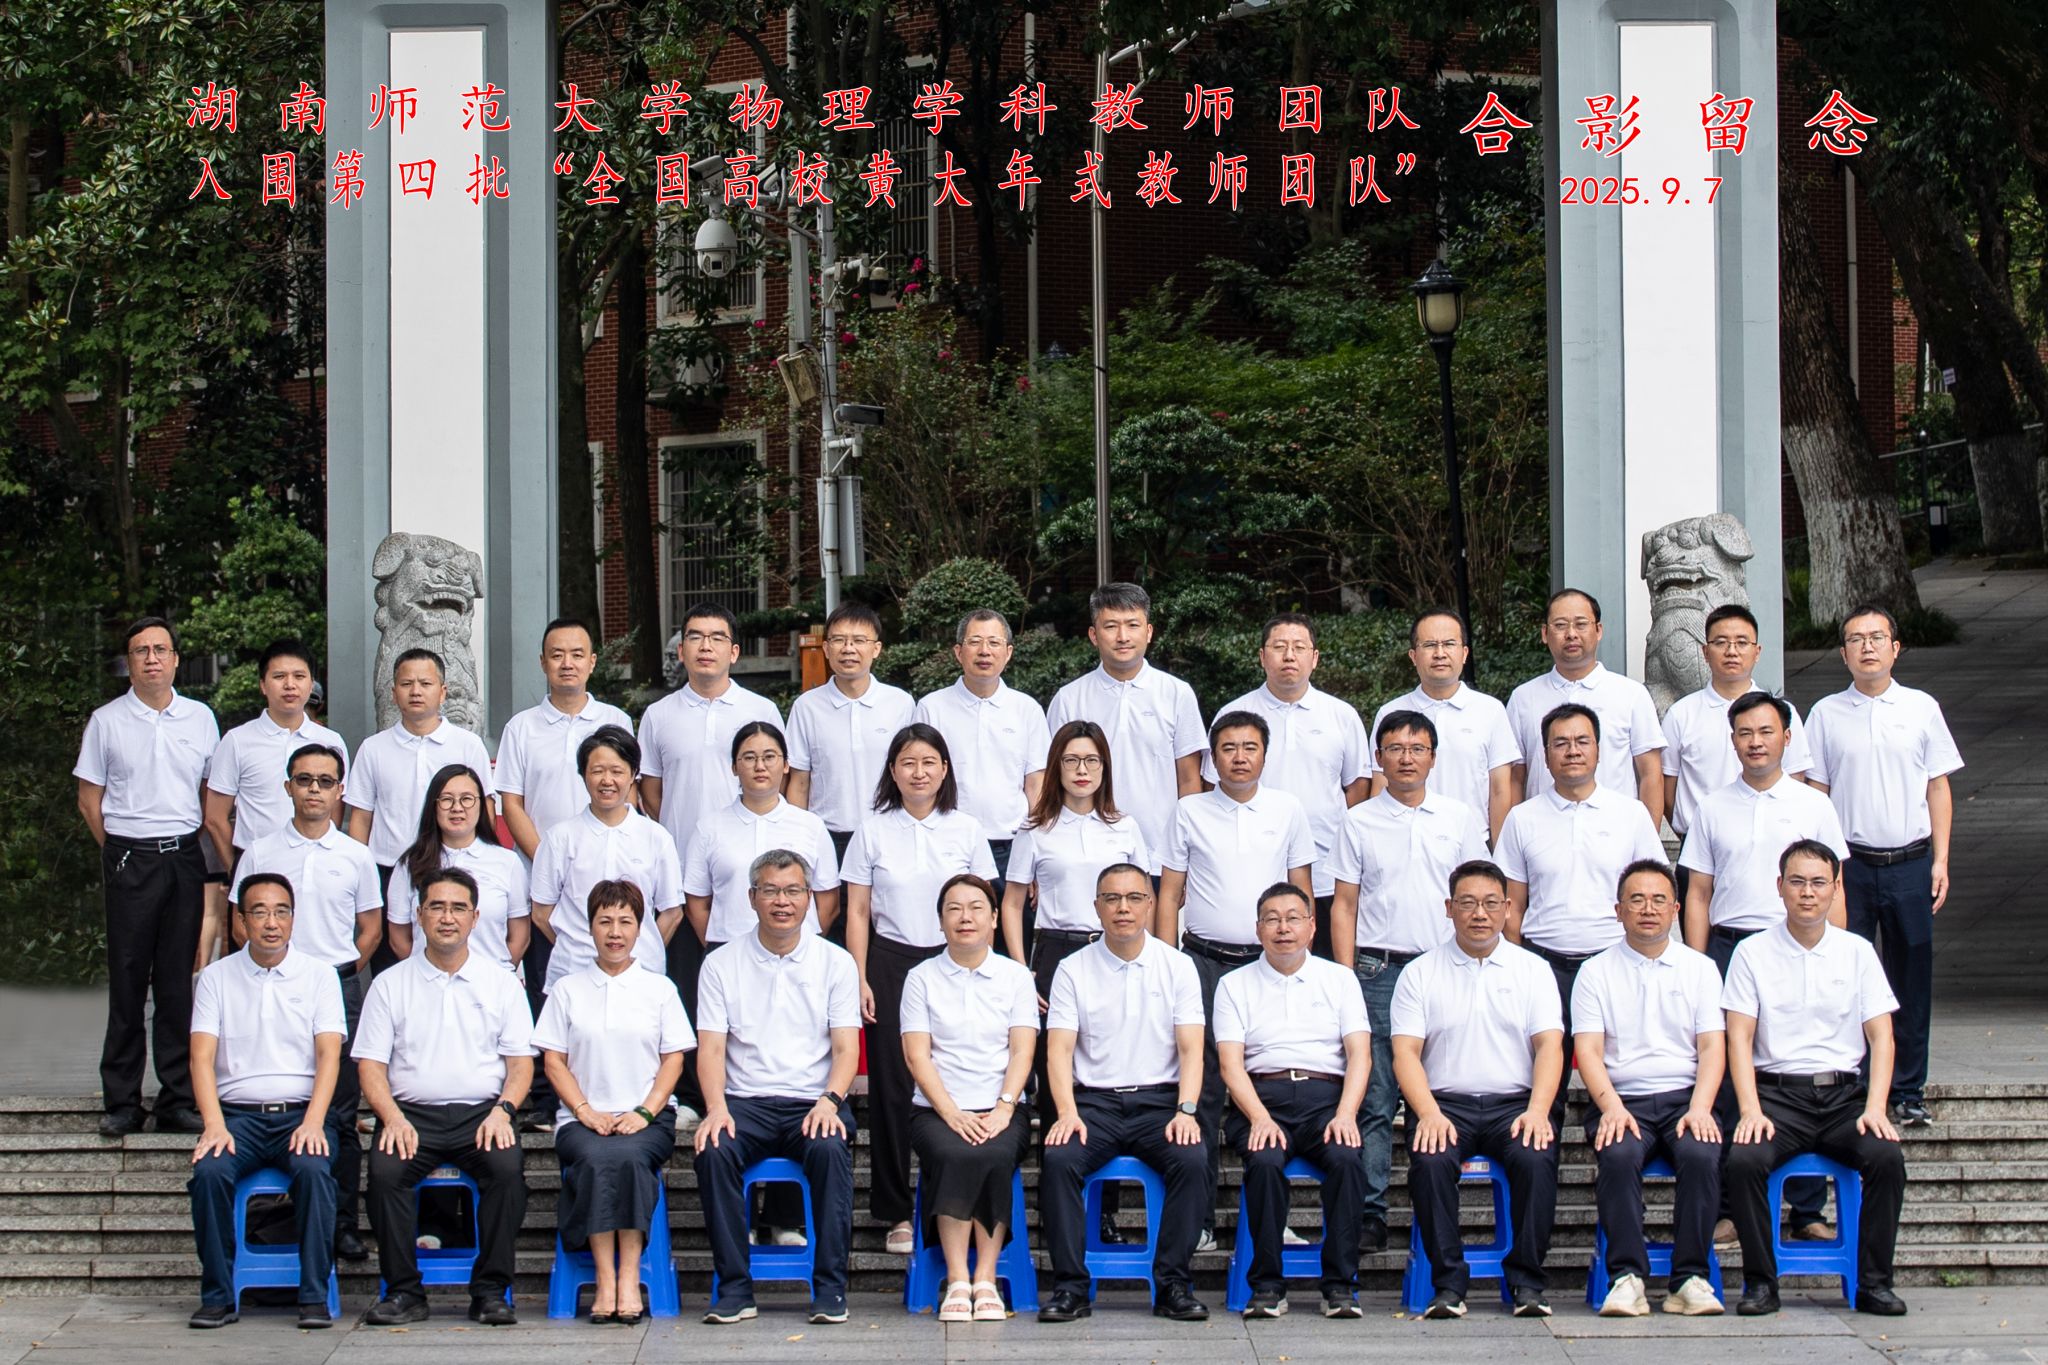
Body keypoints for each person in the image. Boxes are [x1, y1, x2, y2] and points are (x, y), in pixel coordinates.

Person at [1721, 840, 1909, 1317]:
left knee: (1886, 1158)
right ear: (1779, 886)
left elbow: (1882, 1038)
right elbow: (1739, 1038)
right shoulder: (1751, 952)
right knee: (1743, 1161)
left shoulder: (1857, 952)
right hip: (1777, 1099)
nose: (1808, 892)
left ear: (1836, 888)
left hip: (1845, 1099)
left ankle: (1874, 1284)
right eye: (1798, 882)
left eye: (1819, 882)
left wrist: (1876, 1107)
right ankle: (1760, 1283)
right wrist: (1749, 1110)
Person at [1329, 709, 1489, 1253]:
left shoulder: (1459, 817)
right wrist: (1347, 976)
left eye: (1417, 749)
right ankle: (1371, 1212)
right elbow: (1345, 903)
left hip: (1444, 966)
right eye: (1395, 749)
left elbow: (1479, 894)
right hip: (1378, 969)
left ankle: (1438, 1211)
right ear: (1378, 758)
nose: (1406, 758)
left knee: (1442, 1088)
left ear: (1433, 758)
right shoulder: (1358, 820)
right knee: (1375, 1096)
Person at [1157, 709, 1314, 1249]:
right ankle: (1199, 1220)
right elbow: (1170, 893)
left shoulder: (1287, 809)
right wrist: (1168, 962)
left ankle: (1272, 1216)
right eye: (1228, 748)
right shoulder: (1189, 811)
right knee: (1202, 1090)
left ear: (1265, 754)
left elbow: (1300, 890)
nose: (1239, 757)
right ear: (1212, 757)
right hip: (1202, 962)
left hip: (1267, 966)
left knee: (1267, 1087)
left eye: (1250, 747)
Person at [1803, 605, 1963, 1129]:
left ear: (1895, 648)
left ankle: (1909, 1089)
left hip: (1910, 862)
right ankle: (1853, 1088)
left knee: (1911, 976)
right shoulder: (1825, 713)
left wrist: (1941, 859)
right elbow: (1817, 792)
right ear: (1843, 652)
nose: (1867, 647)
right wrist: (1824, 869)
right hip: (1849, 866)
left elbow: (1937, 786)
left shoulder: (1921, 708)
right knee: (1843, 975)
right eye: (1856, 639)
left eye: (1877, 637)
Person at [355, 867, 534, 1326]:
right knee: (385, 1174)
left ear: (475, 917)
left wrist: (504, 1111)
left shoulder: (501, 982)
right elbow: (370, 1066)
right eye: (436, 907)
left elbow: (520, 1065)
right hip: (411, 1116)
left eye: (458, 908)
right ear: (419, 915)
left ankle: (490, 1291)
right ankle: (404, 1292)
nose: (447, 917)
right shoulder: (390, 983)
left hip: (483, 1115)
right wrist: (392, 1117)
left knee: (506, 1172)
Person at [842, 723, 997, 1254]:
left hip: (954, 962)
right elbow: (857, 911)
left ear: (945, 769)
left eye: (929, 762)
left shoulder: (966, 829)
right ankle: (894, 1212)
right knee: (891, 1088)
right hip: (890, 962)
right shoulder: (871, 831)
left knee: (950, 1079)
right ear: (892, 770)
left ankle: (948, 1206)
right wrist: (860, 974)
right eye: (908, 762)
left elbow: (981, 906)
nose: (919, 772)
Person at [694, 850, 863, 1327]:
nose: (781, 902)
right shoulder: (721, 963)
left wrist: (830, 1101)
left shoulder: (836, 962)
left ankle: (829, 1288)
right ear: (752, 898)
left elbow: (846, 1050)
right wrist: (715, 1108)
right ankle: (735, 1289)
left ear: (809, 898)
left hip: (814, 1100)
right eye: (770, 891)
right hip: (745, 1103)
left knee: (830, 1148)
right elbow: (711, 1050)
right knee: (713, 1149)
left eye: (792, 891)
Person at [1392, 859, 1565, 1319]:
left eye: (1490, 903)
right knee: (1430, 1160)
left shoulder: (1533, 970)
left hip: (1516, 1104)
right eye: (1467, 903)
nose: (1479, 914)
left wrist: (1538, 1110)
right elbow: (1405, 1053)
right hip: (1445, 1104)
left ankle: (1527, 1282)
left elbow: (1549, 1046)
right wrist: (1428, 1113)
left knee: (1536, 1157)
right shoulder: (1420, 973)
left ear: (1508, 908)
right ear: (1449, 908)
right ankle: (1448, 1284)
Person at [228, 743, 381, 1263]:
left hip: (337, 986)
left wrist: (335, 975)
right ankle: (289, 1218)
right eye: (304, 779)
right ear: (288, 787)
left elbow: (371, 927)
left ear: (341, 791)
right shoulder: (260, 852)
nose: (314, 789)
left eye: (325, 781)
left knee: (341, 1111)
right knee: (289, 1096)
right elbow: (239, 922)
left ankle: (342, 1224)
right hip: (272, 985)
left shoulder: (356, 855)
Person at [1037, 863, 1210, 1324]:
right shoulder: (1073, 969)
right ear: (1097, 907)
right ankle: (1071, 1288)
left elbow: (1192, 1049)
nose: (1123, 908)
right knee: (1059, 1159)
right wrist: (1066, 1112)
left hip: (1160, 1102)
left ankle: (1173, 1284)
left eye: (1134, 898)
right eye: (1112, 899)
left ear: (1151, 904)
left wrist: (1186, 1110)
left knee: (1193, 1159)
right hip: (1094, 1104)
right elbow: (1059, 1051)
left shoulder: (1178, 966)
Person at [75, 617, 221, 1137]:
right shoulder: (107, 721)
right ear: (129, 663)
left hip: (183, 856)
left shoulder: (201, 718)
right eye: (142, 651)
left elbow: (210, 793)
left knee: (178, 983)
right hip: (130, 857)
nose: (152, 658)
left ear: (176, 659)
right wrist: (121, 852)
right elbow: (89, 800)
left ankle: (178, 1098)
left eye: (161, 649)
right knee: (128, 981)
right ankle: (122, 1101)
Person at [636, 605, 780, 1129]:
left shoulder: (760, 709)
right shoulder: (659, 716)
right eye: (695, 637)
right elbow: (652, 792)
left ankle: (752, 1086)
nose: (705, 647)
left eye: (717, 638)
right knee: (690, 986)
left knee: (755, 990)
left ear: (734, 652)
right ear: (681, 651)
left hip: (751, 871)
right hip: (682, 875)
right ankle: (692, 1093)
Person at [184, 872, 345, 1330]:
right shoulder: (215, 978)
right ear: (240, 921)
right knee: (209, 1172)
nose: (271, 923)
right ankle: (217, 1297)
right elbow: (200, 1058)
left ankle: (313, 1297)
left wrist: (313, 1121)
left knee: (314, 1169)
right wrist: (214, 1125)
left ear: (293, 919)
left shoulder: (320, 976)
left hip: (302, 1114)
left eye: (281, 912)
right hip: (238, 1119)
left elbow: (329, 1056)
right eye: (259, 912)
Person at [532, 879, 694, 1326]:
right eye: (605, 921)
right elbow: (553, 1062)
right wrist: (585, 1111)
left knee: (630, 1156)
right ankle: (606, 1278)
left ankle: (628, 1275)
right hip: (579, 1118)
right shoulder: (567, 989)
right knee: (596, 1157)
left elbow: (674, 1059)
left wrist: (644, 1112)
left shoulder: (659, 989)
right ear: (590, 928)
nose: (615, 932)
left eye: (625, 921)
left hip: (648, 1117)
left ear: (640, 928)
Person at [1496, 702, 1665, 1125]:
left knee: (1620, 1075)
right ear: (1545, 754)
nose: (1572, 751)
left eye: (1582, 741)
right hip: (1545, 965)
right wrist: (1522, 962)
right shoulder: (1522, 819)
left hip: (1614, 964)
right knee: (1543, 1082)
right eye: (1561, 743)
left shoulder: (1631, 814)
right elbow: (1511, 903)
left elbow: (1655, 890)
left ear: (1599, 750)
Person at [1570, 860, 1726, 1317]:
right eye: (1636, 900)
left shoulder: (1700, 969)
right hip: (1622, 1100)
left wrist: (1701, 1107)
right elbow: (1588, 1051)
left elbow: (1712, 1047)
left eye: (1659, 900)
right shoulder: (1595, 972)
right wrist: (1611, 1107)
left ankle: (1689, 1279)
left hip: (1686, 1098)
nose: (1648, 909)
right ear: (1618, 910)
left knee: (1701, 1153)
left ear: (1676, 909)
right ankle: (1627, 1278)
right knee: (1618, 1154)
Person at [1213, 883, 1372, 1319]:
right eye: (1272, 919)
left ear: (1311, 926)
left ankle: (1340, 1286)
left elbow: (1360, 1054)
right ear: (1258, 928)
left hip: (1326, 1102)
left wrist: (1346, 1113)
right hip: (1261, 1100)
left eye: (1293, 918)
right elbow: (1230, 1064)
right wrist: (1260, 1117)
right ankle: (1267, 1286)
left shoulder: (1340, 979)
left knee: (1346, 1160)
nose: (1283, 928)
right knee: (1264, 1162)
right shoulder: (1233, 985)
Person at [900, 874, 1038, 1322]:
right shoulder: (921, 978)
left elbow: (1022, 1050)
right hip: (935, 1111)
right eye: (954, 909)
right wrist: (951, 1112)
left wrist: (1004, 1106)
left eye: (977, 907)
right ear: (940, 921)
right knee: (953, 1152)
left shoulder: (1015, 977)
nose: (966, 917)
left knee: (993, 1153)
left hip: (1002, 1108)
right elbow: (917, 1056)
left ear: (995, 918)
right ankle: (958, 1277)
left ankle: (986, 1276)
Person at [1000, 722, 1152, 1128]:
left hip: (1115, 949)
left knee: (1112, 1053)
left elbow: (1143, 898)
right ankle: (1059, 1149)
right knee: (1055, 1056)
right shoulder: (1035, 829)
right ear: (1056, 767)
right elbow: (1012, 903)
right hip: (1056, 950)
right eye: (1071, 760)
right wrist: (1020, 969)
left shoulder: (1125, 826)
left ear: (1105, 767)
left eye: (1091, 760)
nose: (1082, 770)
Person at [493, 617, 633, 1032]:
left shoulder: (615, 720)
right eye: (557, 655)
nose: (567, 663)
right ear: (543, 662)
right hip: (542, 879)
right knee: (548, 987)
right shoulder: (521, 728)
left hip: (607, 874)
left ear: (592, 662)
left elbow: (629, 793)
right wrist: (550, 861)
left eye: (576, 655)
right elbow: (512, 803)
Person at [1206, 613, 1370, 958]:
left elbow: (1357, 788)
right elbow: (1213, 789)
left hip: (1327, 872)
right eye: (1279, 647)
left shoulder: (1341, 715)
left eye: (1299, 647)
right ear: (1262, 656)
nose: (1289, 656)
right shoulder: (1235, 714)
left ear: (1315, 657)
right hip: (1253, 870)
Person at [202, 639, 345, 961]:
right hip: (256, 867)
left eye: (299, 676)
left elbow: (334, 810)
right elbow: (215, 816)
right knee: (252, 964)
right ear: (263, 685)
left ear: (311, 683)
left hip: (315, 866)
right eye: (279, 676)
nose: (290, 685)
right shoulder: (238, 741)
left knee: (313, 958)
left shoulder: (330, 742)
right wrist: (239, 870)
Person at [1046, 582, 1208, 862]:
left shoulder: (1176, 694)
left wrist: (1187, 849)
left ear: (1149, 632)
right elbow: (1052, 778)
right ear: (1093, 635)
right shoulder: (1069, 698)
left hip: (1161, 853)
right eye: (1111, 626)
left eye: (1133, 625)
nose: (1122, 637)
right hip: (1086, 853)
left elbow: (1189, 779)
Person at [1659, 605, 1812, 864]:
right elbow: (1668, 789)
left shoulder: (1782, 713)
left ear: (1757, 652)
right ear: (1705, 652)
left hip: (1772, 845)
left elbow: (1796, 778)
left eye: (1742, 642)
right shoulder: (1681, 714)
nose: (1731, 651)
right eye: (1721, 643)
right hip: (1699, 848)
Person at [911, 609, 1050, 887]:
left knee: (1013, 916)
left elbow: (1036, 785)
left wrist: (1038, 853)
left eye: (994, 643)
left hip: (1013, 845)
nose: (984, 651)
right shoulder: (931, 708)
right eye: (974, 642)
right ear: (958, 652)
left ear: (1008, 653)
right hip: (949, 843)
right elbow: (920, 781)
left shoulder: (1027, 709)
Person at [346, 648, 495, 896]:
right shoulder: (373, 749)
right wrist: (359, 874)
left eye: (425, 683)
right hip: (388, 868)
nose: (415, 691)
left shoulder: (468, 745)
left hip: (453, 868)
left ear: (442, 692)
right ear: (394, 693)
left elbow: (485, 808)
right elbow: (361, 817)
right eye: (406, 684)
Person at [1504, 589, 1664, 820]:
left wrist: (1647, 836)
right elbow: (1515, 778)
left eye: (1580, 624)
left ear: (1598, 630)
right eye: (1560, 625)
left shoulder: (1631, 695)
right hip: (1543, 829)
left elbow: (1651, 775)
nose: (1571, 634)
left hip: (1615, 828)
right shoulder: (1523, 698)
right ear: (1545, 633)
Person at [785, 602, 915, 883]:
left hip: (889, 833)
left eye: (859, 640)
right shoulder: (807, 707)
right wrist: (798, 841)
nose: (848, 649)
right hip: (827, 838)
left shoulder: (900, 704)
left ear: (876, 649)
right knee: (831, 910)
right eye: (839, 640)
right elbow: (799, 781)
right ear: (826, 648)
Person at [685, 722, 842, 949]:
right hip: (730, 951)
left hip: (799, 954)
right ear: (734, 767)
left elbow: (828, 903)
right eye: (749, 758)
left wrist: (794, 945)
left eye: (769, 757)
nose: (760, 766)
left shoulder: (811, 826)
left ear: (786, 765)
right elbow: (696, 904)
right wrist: (723, 951)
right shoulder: (708, 828)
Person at [1368, 609, 1520, 842]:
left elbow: (1500, 790)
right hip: (1403, 841)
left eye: (1449, 644)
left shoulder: (1490, 710)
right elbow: (1380, 786)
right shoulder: (1390, 713)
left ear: (1464, 653)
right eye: (1430, 645)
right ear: (1413, 656)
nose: (1440, 654)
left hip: (1471, 844)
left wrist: (1500, 855)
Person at [386, 763, 530, 970]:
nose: (457, 808)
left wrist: (496, 975)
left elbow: (520, 935)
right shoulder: (409, 864)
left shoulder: (507, 862)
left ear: (481, 805)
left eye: (467, 799)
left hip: (491, 982)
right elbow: (399, 938)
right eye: (446, 799)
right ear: (433, 806)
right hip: (428, 981)